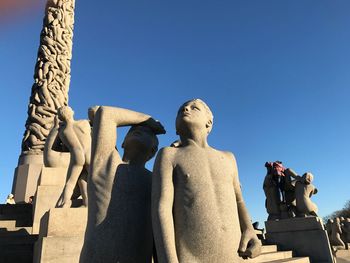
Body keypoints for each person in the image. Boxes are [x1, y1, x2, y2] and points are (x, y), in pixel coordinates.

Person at [152, 99, 261, 262]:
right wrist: (168, 259)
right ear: (176, 128)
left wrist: (249, 229)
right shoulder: (169, 155)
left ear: (209, 123)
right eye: (181, 109)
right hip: (192, 256)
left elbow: (239, 200)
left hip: (234, 253)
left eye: (194, 107)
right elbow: (162, 207)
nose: (186, 109)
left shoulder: (228, 158)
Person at [80, 106, 165, 263]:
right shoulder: (106, 164)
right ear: (123, 143)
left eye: (147, 133)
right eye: (132, 131)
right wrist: (148, 120)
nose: (138, 130)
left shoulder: (156, 181)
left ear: (153, 151)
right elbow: (106, 114)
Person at [52, 106, 92, 208]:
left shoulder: (62, 131)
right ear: (72, 113)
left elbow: (55, 147)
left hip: (76, 157)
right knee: (94, 179)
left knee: (71, 183)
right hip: (89, 154)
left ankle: (62, 205)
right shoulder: (84, 123)